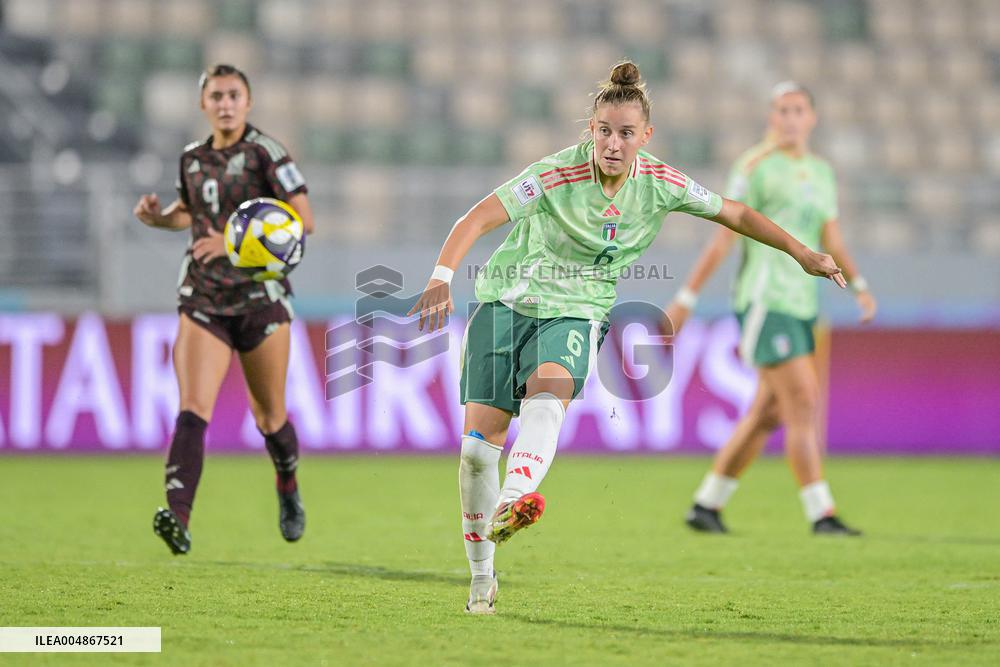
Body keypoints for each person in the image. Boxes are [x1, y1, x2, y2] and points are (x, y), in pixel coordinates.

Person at [408, 63, 846, 614]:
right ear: (590, 130)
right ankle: (481, 578)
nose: (613, 144)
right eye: (604, 131)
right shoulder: (553, 174)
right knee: (475, 456)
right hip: (504, 304)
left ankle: (516, 498)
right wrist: (441, 278)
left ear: (646, 136)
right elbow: (477, 218)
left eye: (626, 133)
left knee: (550, 389)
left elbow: (734, 213)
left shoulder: (661, 184)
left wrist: (802, 252)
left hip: (576, 312)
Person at [667, 81, 876, 537]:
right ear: (771, 117)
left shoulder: (822, 172)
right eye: (782, 110)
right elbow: (724, 232)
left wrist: (858, 286)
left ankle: (707, 504)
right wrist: (687, 297)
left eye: (799, 109)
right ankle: (822, 513)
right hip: (765, 300)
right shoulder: (754, 165)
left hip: (803, 302)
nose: (790, 118)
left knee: (769, 411)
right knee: (802, 399)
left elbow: (831, 237)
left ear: (812, 117)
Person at [133, 64, 315, 555]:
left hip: (260, 299)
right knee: (193, 409)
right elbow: (192, 214)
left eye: (234, 95)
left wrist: (239, 242)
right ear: (204, 104)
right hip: (204, 298)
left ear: (248, 102)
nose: (225, 103)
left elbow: (303, 219)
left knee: (270, 417)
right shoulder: (191, 159)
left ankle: (287, 485)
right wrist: (159, 218)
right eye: (216, 96)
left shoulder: (266, 153)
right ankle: (178, 516)